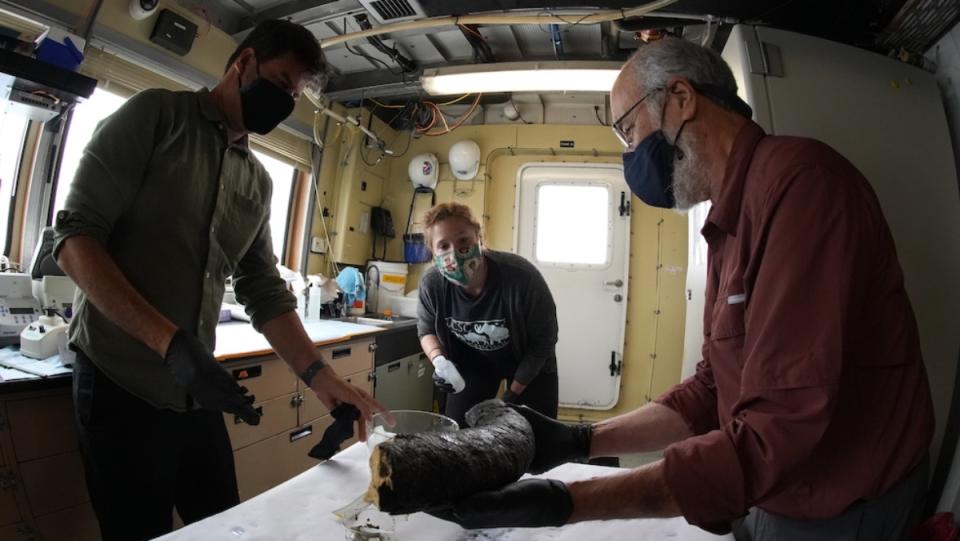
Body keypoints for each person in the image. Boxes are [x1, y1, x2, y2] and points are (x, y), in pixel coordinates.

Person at [430, 37, 934, 540]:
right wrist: (579, 440)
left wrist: (567, 501)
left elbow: (779, 429)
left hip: (842, 502)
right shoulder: (726, 223)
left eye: (628, 131)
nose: (630, 154)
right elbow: (711, 389)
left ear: (681, 99)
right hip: (777, 489)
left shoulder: (800, 187)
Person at [53, 20, 386, 540]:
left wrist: (323, 379)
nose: (283, 104)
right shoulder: (155, 117)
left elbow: (263, 291)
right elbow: (74, 240)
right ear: (243, 63)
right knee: (137, 530)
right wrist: (171, 345)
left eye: (293, 95)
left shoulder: (257, 181)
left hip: (195, 392)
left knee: (225, 523)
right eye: (279, 84)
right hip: (121, 383)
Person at [416, 202, 559, 426]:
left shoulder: (522, 277)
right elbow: (426, 331)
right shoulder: (432, 283)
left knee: (538, 436)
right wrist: (440, 361)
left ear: (478, 237)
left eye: (463, 240)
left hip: (529, 361)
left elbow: (545, 339)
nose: (455, 252)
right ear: (433, 252)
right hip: (473, 364)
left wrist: (511, 395)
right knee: (458, 433)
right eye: (443, 245)